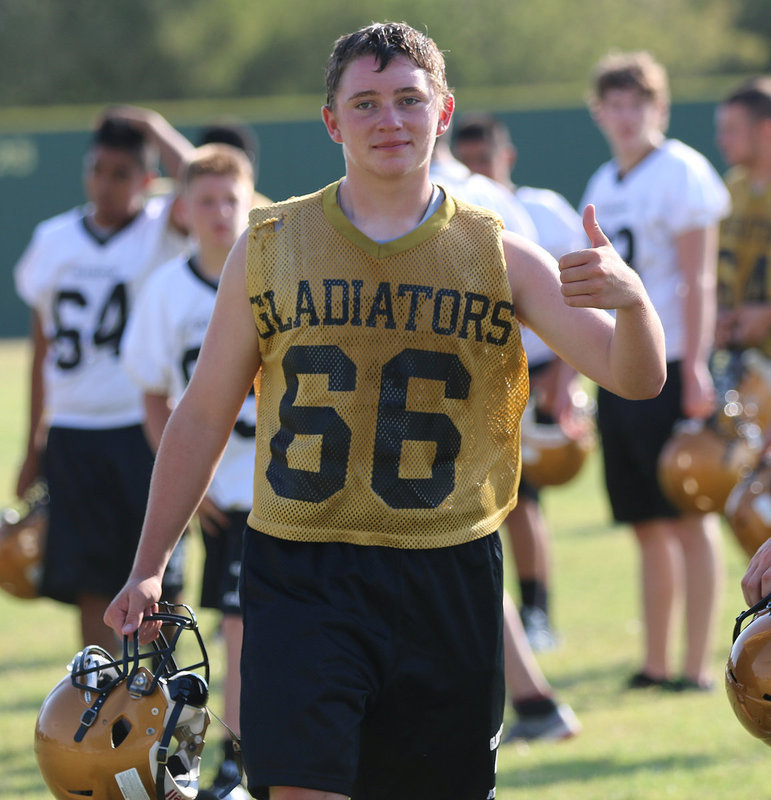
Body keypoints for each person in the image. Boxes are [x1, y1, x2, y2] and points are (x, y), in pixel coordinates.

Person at [105, 22, 665, 800]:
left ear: (442, 113)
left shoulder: (497, 253)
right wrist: (149, 564)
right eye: (364, 103)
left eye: (408, 99)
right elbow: (201, 414)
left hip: (447, 569)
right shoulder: (268, 244)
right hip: (301, 565)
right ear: (332, 121)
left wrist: (634, 304)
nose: (388, 120)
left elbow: (632, 378)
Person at [13, 108, 193, 652]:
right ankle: (97, 694)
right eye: (97, 169)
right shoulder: (54, 237)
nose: (105, 183)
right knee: (88, 578)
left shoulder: (162, 228)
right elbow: (42, 348)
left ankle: (158, 699)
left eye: (121, 173)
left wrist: (157, 127)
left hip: (140, 425)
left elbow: (202, 178)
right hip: (73, 428)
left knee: (158, 578)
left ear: (146, 179)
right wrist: (33, 442)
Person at [581, 50, 730, 691]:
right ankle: (656, 661)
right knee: (644, 522)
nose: (625, 115)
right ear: (598, 112)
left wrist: (696, 363)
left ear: (659, 108)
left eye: (637, 103)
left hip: (670, 360)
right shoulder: (602, 182)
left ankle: (696, 665)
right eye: (614, 104)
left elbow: (698, 278)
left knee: (688, 516)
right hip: (620, 364)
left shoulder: (682, 171)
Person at [121, 144, 255, 798]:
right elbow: (154, 393)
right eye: (206, 200)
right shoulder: (168, 289)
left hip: (281, 479)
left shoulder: (273, 271)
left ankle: (238, 754)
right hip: (216, 486)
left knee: (246, 625)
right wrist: (181, 479)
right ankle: (204, 754)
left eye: (232, 199)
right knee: (202, 627)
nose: (221, 213)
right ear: (181, 210)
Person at [446, 112, 582, 742]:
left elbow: (537, 297)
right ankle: (530, 701)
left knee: (462, 547)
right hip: (455, 405)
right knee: (466, 549)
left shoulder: (474, 202)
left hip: (451, 409)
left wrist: (555, 379)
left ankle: (525, 700)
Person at [714, 77, 771, 431]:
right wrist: (717, 316)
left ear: (766, 129)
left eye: (732, 129)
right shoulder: (729, 188)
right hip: (744, 367)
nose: (723, 140)